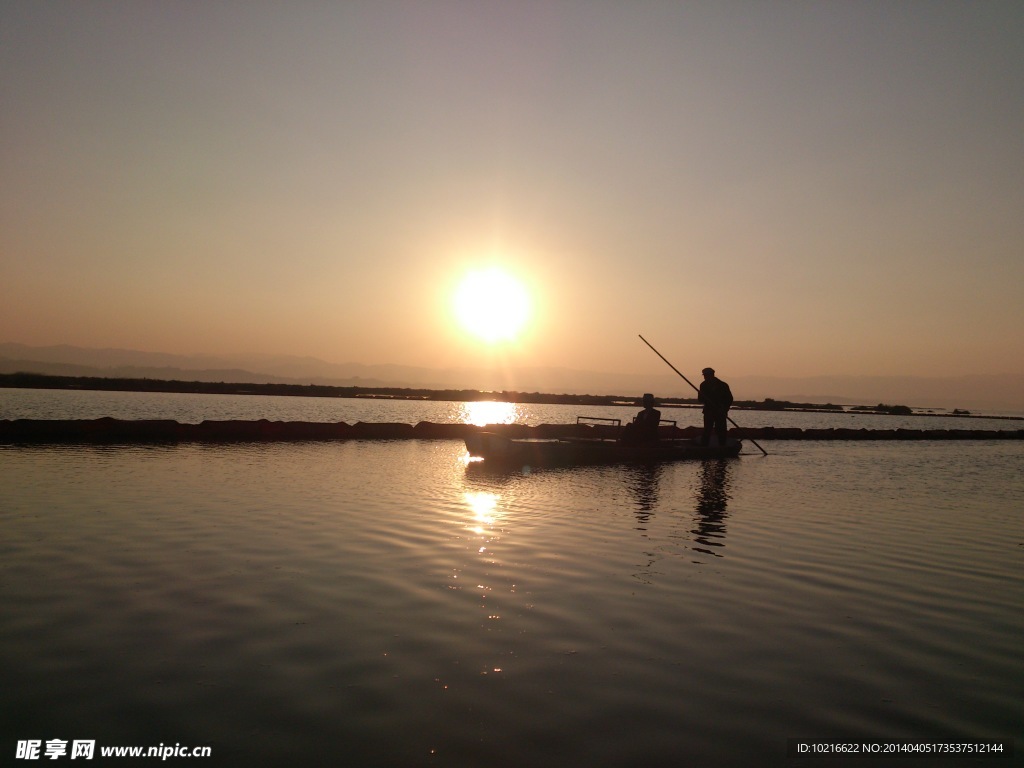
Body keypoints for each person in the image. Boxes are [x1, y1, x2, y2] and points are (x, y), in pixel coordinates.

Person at [698, 368, 733, 447]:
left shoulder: (723, 385)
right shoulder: (703, 385)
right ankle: (704, 449)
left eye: (706, 375)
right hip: (709, 411)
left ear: (711, 375)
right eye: (704, 375)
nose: (704, 377)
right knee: (707, 430)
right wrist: (705, 398)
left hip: (720, 412)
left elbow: (729, 399)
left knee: (721, 431)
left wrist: (724, 409)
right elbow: (700, 399)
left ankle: (722, 448)